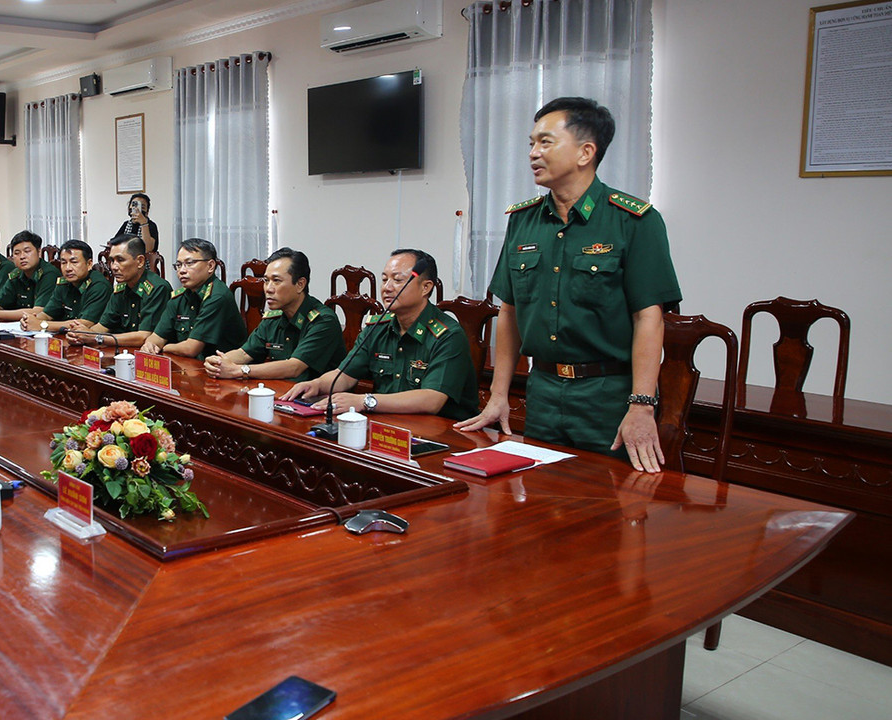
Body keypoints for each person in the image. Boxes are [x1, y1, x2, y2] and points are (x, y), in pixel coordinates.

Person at [455, 97, 682, 472]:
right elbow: (509, 311)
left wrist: (641, 405)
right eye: (531, 143)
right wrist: (498, 394)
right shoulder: (522, 221)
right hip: (542, 390)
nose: (533, 153)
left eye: (545, 142)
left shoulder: (633, 220)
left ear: (585, 152)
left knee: (610, 506)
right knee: (543, 501)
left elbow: (649, 318)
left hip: (608, 395)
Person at [281, 249, 479, 421]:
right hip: (387, 423)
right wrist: (316, 385)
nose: (387, 287)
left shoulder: (447, 335)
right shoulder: (378, 328)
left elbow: (432, 400)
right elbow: (345, 376)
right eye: (384, 279)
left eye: (398, 280)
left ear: (425, 287)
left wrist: (365, 401)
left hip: (441, 432)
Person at [203, 248, 344, 382]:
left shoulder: (323, 321)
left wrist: (239, 370)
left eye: (276, 281)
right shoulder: (274, 318)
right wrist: (216, 362)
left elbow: (294, 367)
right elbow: (245, 353)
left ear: (300, 284)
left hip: (319, 400)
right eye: (266, 281)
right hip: (280, 393)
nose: (268, 289)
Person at [139, 238, 245, 358]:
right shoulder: (179, 297)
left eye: (189, 263)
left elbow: (191, 349)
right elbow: (156, 337)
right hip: (190, 366)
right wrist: (150, 345)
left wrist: (164, 347)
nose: (182, 271)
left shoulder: (217, 296)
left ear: (210, 266)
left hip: (220, 370)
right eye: (178, 265)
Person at [65, 236, 167, 347]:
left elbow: (144, 337)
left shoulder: (157, 288)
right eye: (112, 260)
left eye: (120, 260)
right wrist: (80, 335)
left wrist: (96, 338)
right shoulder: (121, 288)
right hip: (120, 351)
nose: (113, 266)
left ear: (140, 261)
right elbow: (103, 326)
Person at [22, 239, 110, 333]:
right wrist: (30, 320)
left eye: (74, 262)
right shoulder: (64, 282)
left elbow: (85, 323)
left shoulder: (99, 285)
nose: (68, 268)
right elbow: (47, 314)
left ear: (89, 264)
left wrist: (41, 325)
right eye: (63, 263)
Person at [0, 230, 55, 323]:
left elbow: (38, 312)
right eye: (17, 253)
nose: (22, 257)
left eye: (27, 251)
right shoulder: (16, 274)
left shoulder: (49, 274)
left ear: (39, 252)